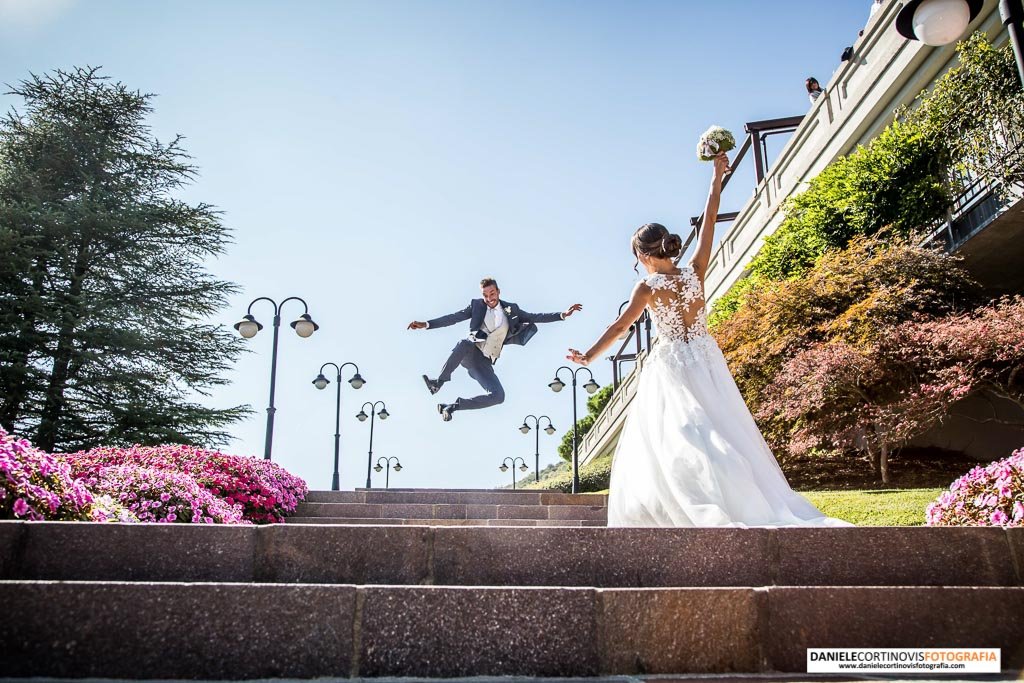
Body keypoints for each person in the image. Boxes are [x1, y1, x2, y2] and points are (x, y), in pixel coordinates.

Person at [566, 152, 852, 528]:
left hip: (672, 365)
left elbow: (621, 328)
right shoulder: (695, 272)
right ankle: (738, 495)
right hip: (706, 357)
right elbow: (710, 221)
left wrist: (588, 356)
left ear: (641, 255)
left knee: (681, 435)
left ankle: (701, 501)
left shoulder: (648, 287)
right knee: (723, 426)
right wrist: (716, 177)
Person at [409, 278, 582, 422]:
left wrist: (562, 315)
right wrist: (426, 324)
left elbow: (535, 317)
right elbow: (453, 318)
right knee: (464, 342)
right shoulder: (476, 306)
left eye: (492, 294)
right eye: (485, 295)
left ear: (498, 292)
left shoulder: (511, 309)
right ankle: (438, 383)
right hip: (470, 352)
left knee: (498, 396)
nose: (489, 298)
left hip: (485, 361)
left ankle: (452, 407)